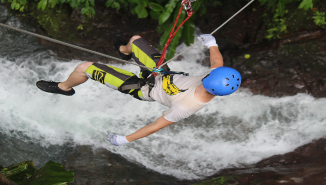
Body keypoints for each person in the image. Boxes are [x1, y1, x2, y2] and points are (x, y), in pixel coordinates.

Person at [36, 34, 241, 146]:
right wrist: (212, 44)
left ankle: (64, 87)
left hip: (143, 89)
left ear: (209, 85)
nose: (207, 73)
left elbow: (155, 126)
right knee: (135, 40)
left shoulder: (186, 107)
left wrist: (125, 139)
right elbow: (217, 62)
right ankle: (125, 52)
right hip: (160, 73)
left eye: (208, 76)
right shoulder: (216, 80)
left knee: (84, 67)